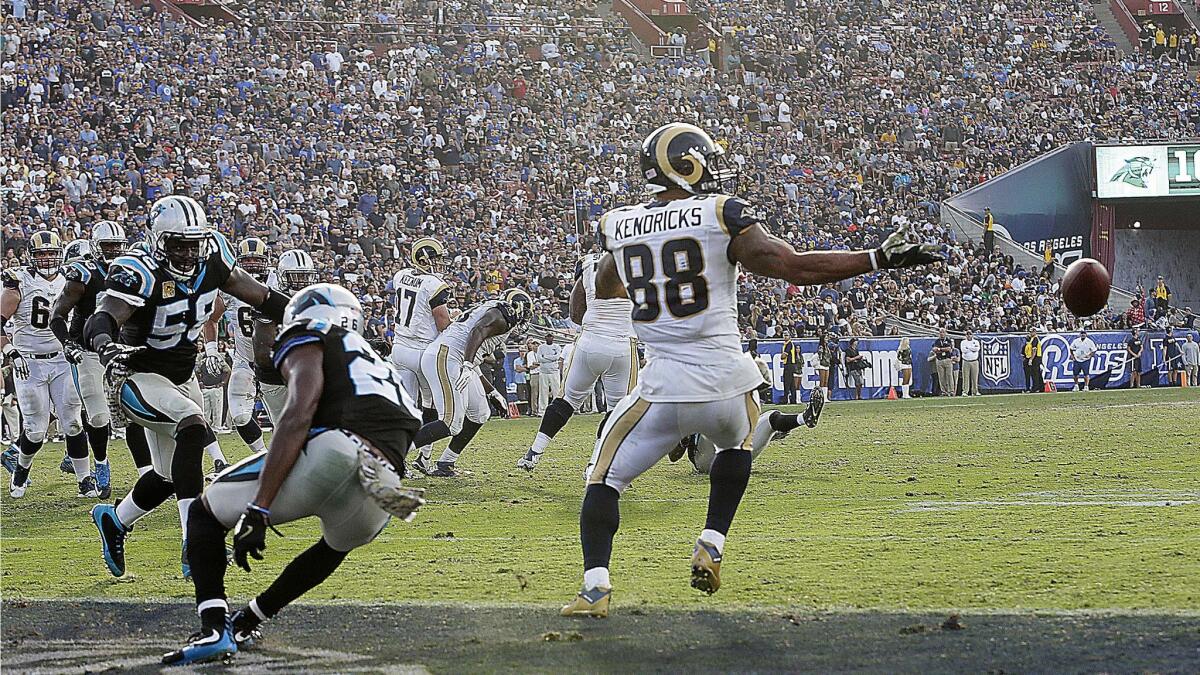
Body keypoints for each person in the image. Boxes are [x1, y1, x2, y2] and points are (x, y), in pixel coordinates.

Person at [561, 123, 940, 618]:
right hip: (727, 381)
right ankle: (712, 542)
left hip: (662, 385)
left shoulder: (617, 224)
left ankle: (595, 588)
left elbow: (604, 290)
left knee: (602, 479)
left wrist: (644, 271)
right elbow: (795, 266)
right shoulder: (719, 213)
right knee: (739, 443)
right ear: (687, 163)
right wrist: (875, 258)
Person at [162, 284, 424, 666]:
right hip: (385, 489)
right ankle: (248, 620)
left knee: (204, 513)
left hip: (335, 450)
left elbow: (300, 410)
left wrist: (259, 508)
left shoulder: (311, 333)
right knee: (334, 547)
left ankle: (215, 629)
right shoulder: (383, 367)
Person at [86, 195, 291, 579]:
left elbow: (261, 296)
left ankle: (115, 519)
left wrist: (304, 311)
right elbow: (102, 318)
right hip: (137, 375)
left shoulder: (213, 256)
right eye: (177, 244)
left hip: (183, 377)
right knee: (193, 427)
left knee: (168, 475)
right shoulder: (139, 269)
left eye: (192, 243)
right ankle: (195, 542)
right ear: (158, 240)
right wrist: (105, 344)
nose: (186, 252)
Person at [519, 245, 636, 472]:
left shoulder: (588, 262)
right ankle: (595, 465)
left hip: (590, 342)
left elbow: (574, 312)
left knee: (566, 400)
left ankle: (534, 452)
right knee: (618, 410)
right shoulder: (642, 258)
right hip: (623, 344)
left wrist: (596, 323)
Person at [0, 231, 96, 498]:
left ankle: (85, 480)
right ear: (32, 256)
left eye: (51, 253)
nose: (46, 258)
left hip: (63, 360)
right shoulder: (19, 281)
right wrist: (10, 351)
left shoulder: (72, 278)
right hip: (29, 363)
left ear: (60, 254)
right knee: (36, 429)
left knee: (73, 423)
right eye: (41, 254)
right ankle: (20, 473)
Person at [411, 289, 532, 476]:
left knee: (480, 413)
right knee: (451, 423)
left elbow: (473, 357)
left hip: (456, 359)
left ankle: (446, 463)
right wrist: (467, 364)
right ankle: (391, 452)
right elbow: (476, 331)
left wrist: (492, 392)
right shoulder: (500, 315)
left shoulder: (494, 310)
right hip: (446, 357)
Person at [49, 221, 130, 499]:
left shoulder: (132, 270)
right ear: (96, 246)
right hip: (87, 351)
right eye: (108, 246)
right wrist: (68, 343)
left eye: (117, 247)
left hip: (121, 350)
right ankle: (101, 462)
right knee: (98, 415)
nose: (113, 252)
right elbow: (56, 316)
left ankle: (154, 471)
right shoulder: (83, 273)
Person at [387, 238, 452, 470]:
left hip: (400, 347)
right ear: (423, 259)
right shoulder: (433, 284)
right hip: (423, 351)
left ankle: (394, 457)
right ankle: (423, 458)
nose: (439, 264)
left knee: (404, 407)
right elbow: (443, 323)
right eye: (435, 259)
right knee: (430, 406)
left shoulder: (400, 275)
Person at [209, 238, 274, 457]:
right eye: (249, 260)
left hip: (276, 363)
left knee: (285, 419)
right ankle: (262, 456)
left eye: (258, 260)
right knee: (239, 415)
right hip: (245, 360)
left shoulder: (277, 282)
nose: (254, 265)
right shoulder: (230, 286)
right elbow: (211, 319)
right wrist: (211, 349)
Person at [535, 334, 564, 415]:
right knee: (543, 392)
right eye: (548, 337)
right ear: (545, 338)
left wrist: (546, 357)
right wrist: (551, 358)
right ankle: (542, 410)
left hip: (554, 371)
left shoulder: (557, 346)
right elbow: (539, 359)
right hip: (543, 371)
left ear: (553, 338)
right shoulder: (541, 347)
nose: (549, 338)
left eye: (551, 336)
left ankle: (557, 409)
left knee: (556, 391)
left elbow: (557, 357)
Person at [932, 328, 955, 396]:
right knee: (941, 377)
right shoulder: (937, 341)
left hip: (947, 359)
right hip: (939, 360)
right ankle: (944, 391)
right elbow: (934, 349)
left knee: (949, 376)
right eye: (940, 332)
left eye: (943, 332)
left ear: (945, 333)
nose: (941, 333)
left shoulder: (948, 340)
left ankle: (951, 391)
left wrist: (939, 349)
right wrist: (943, 350)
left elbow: (949, 349)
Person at [959, 330, 981, 396]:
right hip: (966, 361)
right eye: (967, 334)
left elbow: (977, 349)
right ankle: (965, 391)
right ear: (966, 335)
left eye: (970, 334)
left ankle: (975, 391)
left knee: (975, 377)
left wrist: (969, 348)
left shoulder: (976, 342)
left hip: (974, 361)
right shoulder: (963, 342)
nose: (969, 335)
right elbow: (963, 350)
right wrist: (972, 349)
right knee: (965, 377)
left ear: (972, 335)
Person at [780, 332, 800, 404]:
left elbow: (783, 356)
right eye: (784, 335)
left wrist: (782, 356)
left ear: (789, 336)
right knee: (791, 384)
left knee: (786, 383)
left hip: (789, 365)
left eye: (787, 335)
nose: (785, 337)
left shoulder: (789, 344)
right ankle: (793, 400)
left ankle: (785, 400)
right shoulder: (787, 344)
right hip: (790, 365)